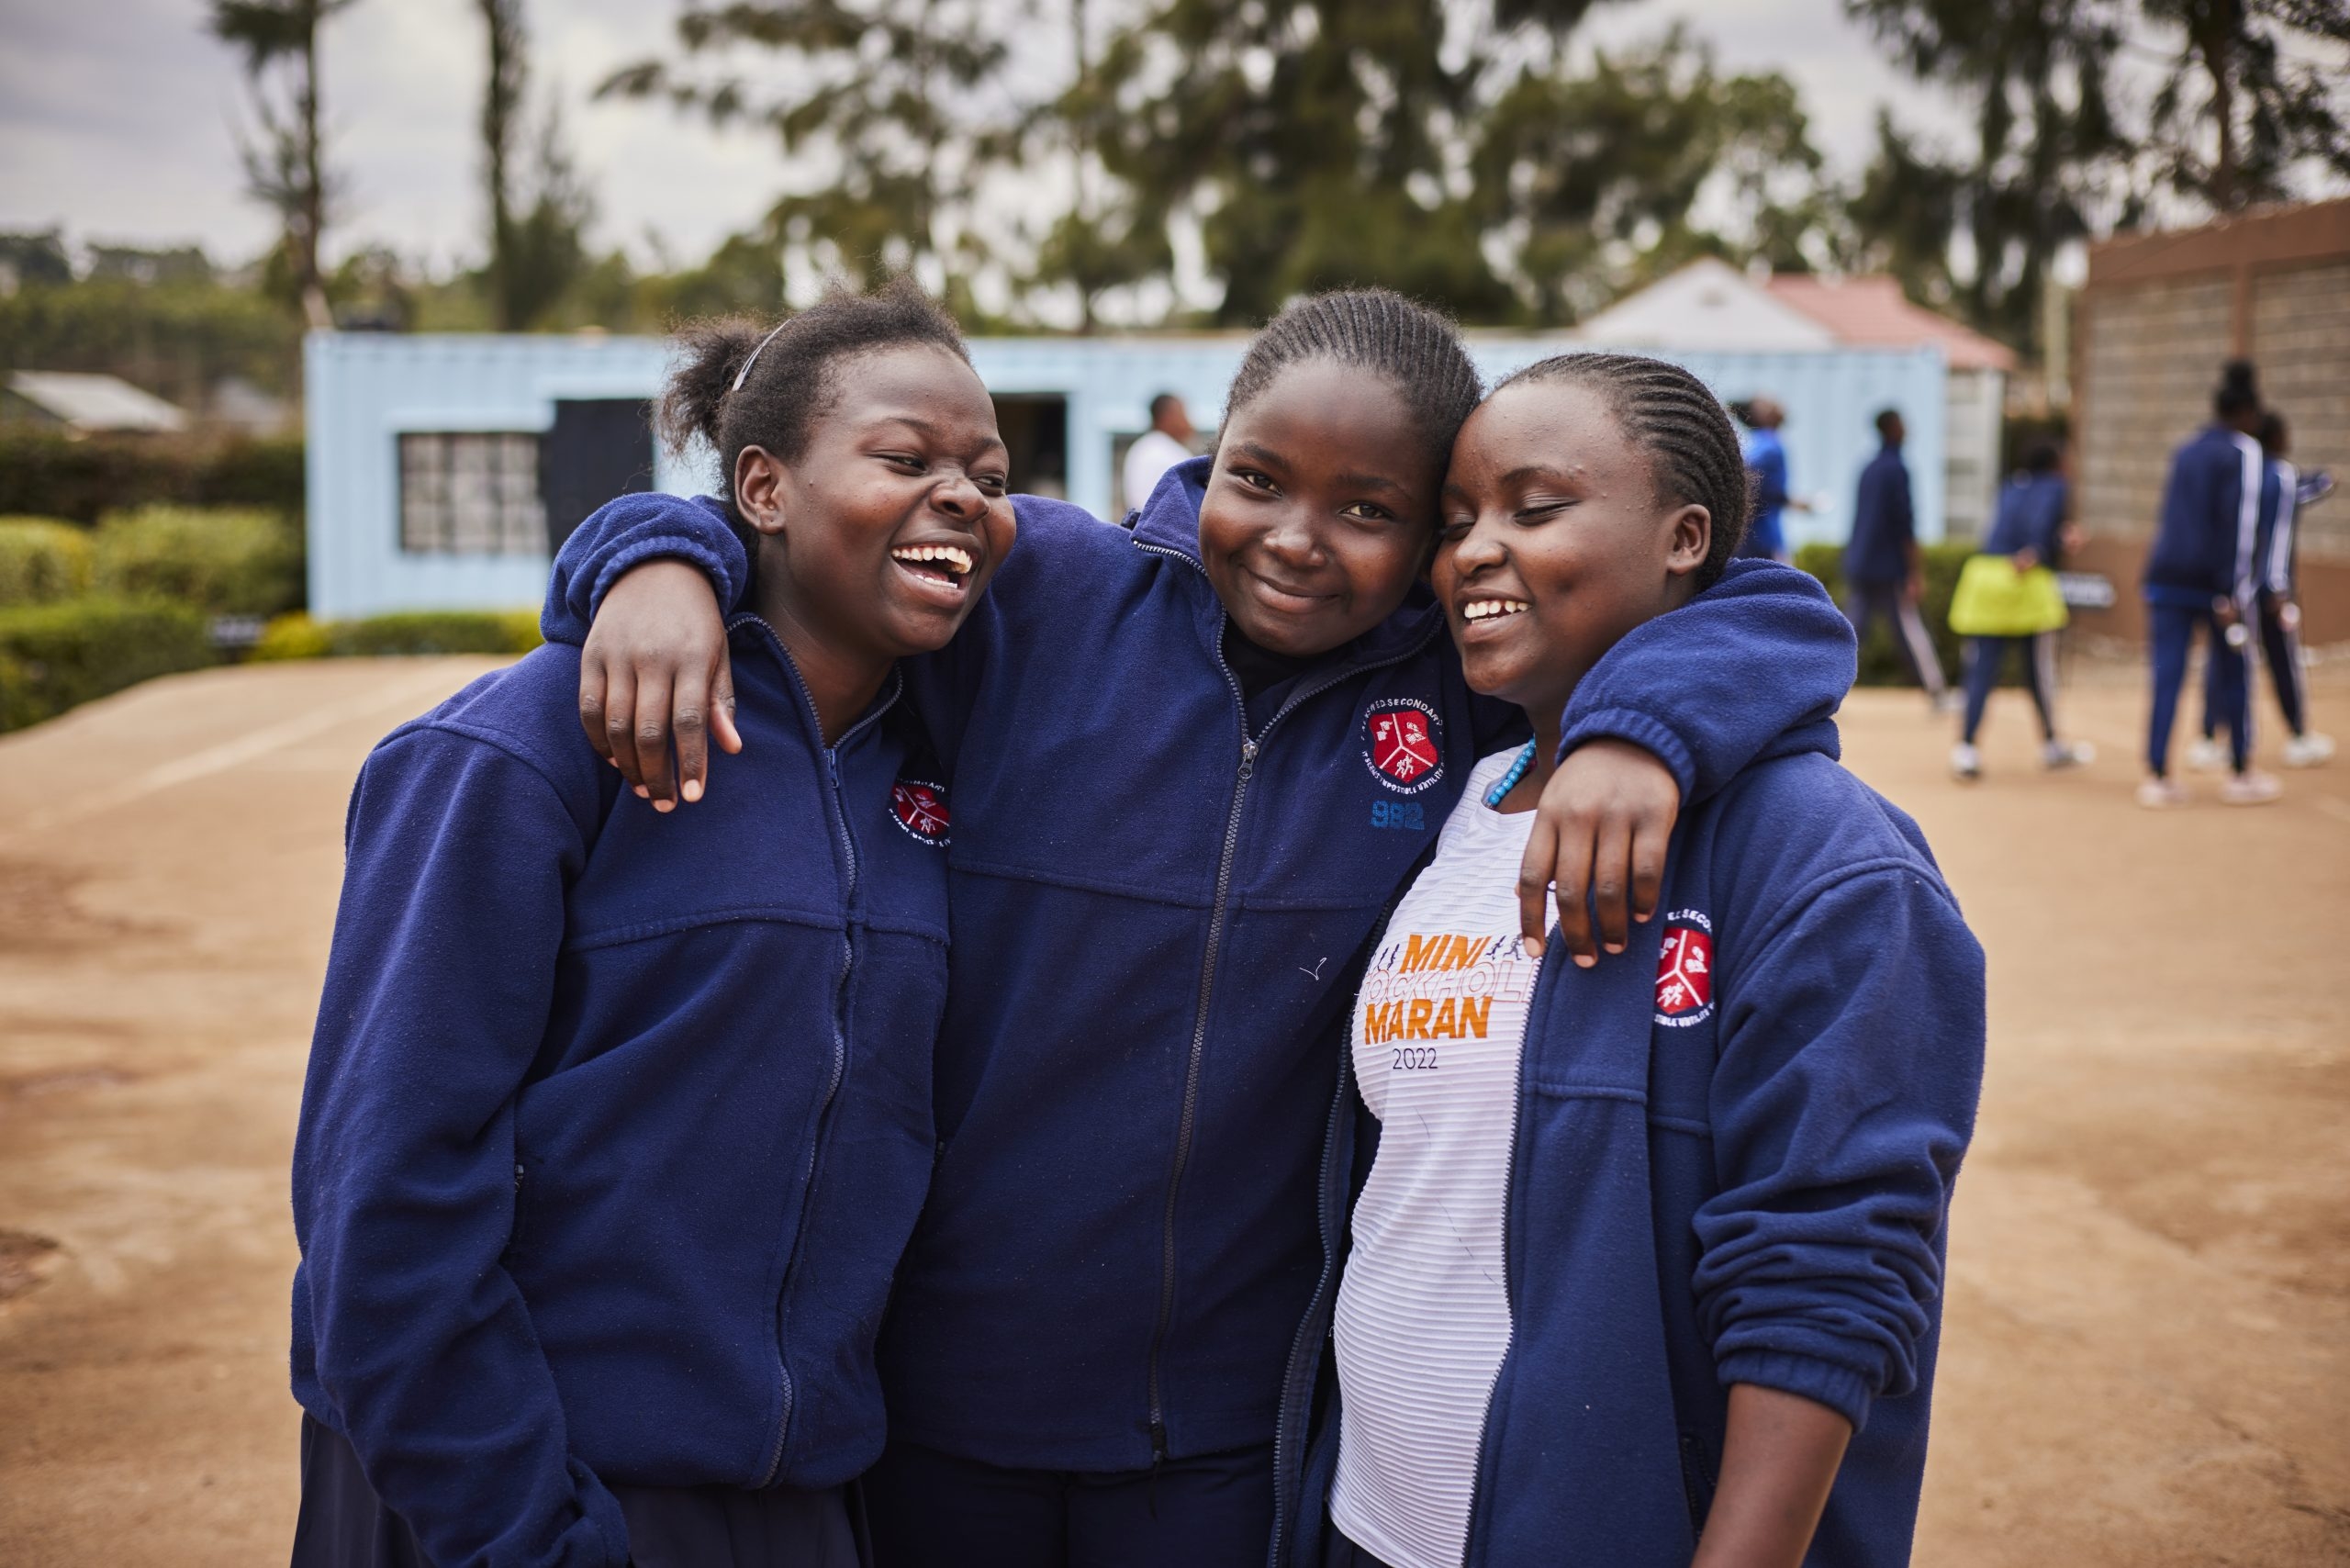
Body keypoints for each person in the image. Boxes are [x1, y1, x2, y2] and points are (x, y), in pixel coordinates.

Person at [546, 293, 1860, 1566]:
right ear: (1205, 459)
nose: (1297, 536)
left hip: (1231, 1439)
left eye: (1370, 511)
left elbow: (1774, 612)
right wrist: (658, 559)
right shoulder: (1046, 593)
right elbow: (812, 532)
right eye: (1259, 477)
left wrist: (1649, 727)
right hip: (938, 1402)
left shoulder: (1445, 680)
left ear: (1423, 547)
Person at [286, 284, 1017, 1567]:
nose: (962, 495)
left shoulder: (947, 768)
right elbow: (386, 1202)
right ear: (764, 488)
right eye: (904, 459)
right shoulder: (521, 753)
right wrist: (530, 1529)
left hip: (791, 1499)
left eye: (989, 474)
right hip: (512, 1493)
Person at [1280, 352, 1984, 1568]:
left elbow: (1827, 1284)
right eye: (1457, 523)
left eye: (1535, 506)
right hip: (1365, 1531)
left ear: (1685, 537)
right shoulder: (1453, 800)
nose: (1475, 552)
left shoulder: (1825, 863)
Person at [2140, 360, 2277, 808]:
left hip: (2165, 577)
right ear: (2249, 414)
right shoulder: (2244, 452)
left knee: (2167, 677)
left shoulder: (2187, 449)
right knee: (2235, 672)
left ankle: (2158, 776)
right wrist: (2234, 591)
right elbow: (2241, 526)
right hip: (2214, 586)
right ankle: (2240, 771)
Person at [2188, 409, 2334, 771]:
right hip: (2265, 589)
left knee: (2226, 661)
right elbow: (2279, 534)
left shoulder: (2242, 474)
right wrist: (2277, 586)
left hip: (2232, 587)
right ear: (2275, 439)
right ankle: (2297, 736)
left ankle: (2211, 739)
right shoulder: (2280, 475)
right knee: (2279, 661)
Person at [1949, 441, 2094, 779]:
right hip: (2024, 578)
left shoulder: (2012, 484)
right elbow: (2038, 528)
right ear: (2056, 461)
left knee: (1981, 670)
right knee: (2037, 672)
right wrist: (2045, 547)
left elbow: (2010, 526)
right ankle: (2051, 744)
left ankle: (1966, 749)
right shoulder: (2057, 486)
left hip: (1985, 577)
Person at [1841, 408, 1951, 709]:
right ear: (1892, 429)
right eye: (1902, 424)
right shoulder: (1897, 468)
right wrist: (1914, 571)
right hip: (1888, 567)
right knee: (1910, 629)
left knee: (1850, 633)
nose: (1907, 429)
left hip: (1860, 562)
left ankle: (1823, 695)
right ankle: (1937, 691)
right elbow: (1905, 524)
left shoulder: (1868, 468)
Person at [1733, 395, 1806, 562]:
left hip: (1757, 533)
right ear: (1758, 415)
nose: (1775, 402)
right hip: (1761, 535)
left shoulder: (1759, 443)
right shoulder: (1769, 445)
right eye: (1764, 403)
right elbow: (1751, 479)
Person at [1122, 391, 1196, 515]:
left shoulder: (1140, 448)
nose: (1189, 423)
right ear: (1168, 417)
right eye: (1182, 414)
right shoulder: (1171, 452)